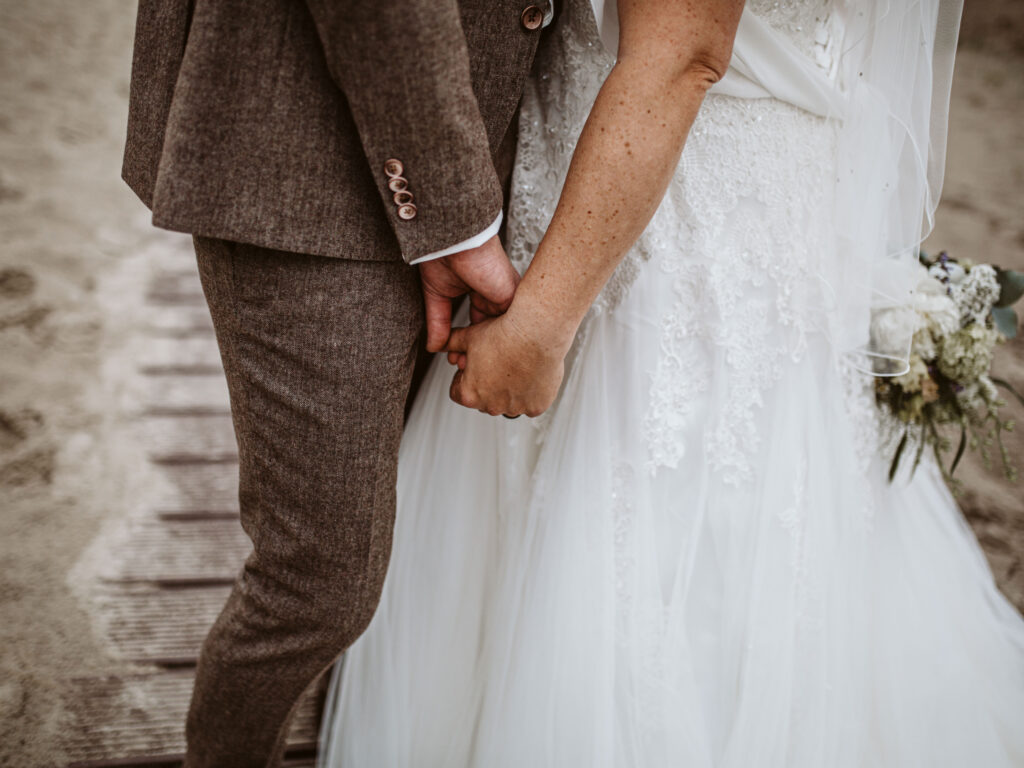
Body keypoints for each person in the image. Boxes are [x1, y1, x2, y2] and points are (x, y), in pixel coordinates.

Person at [321, 0, 1024, 765]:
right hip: (655, 174)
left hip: (680, 210)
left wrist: (542, 324)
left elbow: (683, 52)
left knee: (672, 539)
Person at [121, 1, 553, 765]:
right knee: (320, 582)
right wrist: (453, 218)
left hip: (507, 144)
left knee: (413, 529)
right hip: (305, 153)